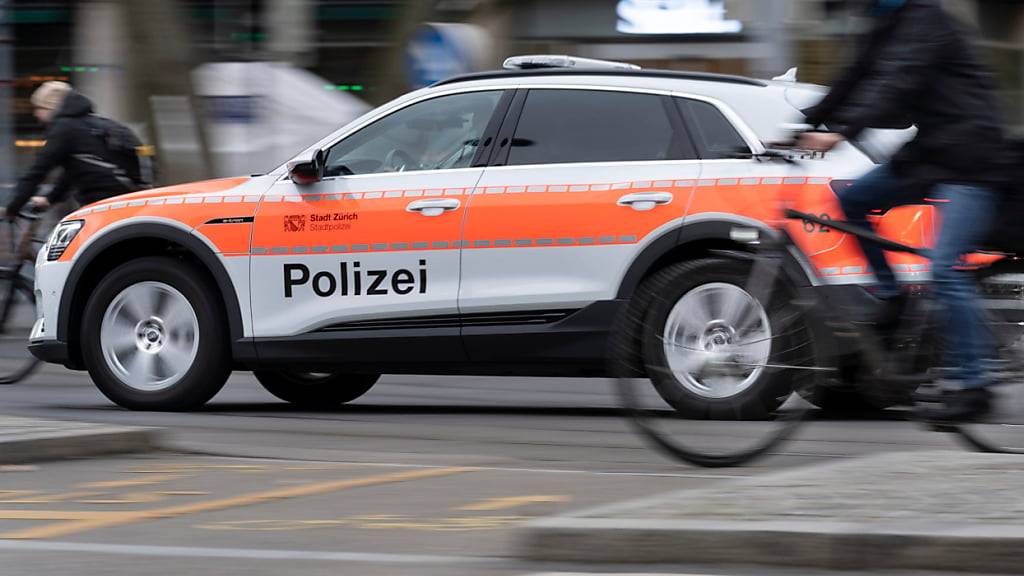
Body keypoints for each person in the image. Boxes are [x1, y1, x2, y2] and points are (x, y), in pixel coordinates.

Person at [796, 0, 1008, 420]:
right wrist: (803, 124)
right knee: (853, 200)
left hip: (972, 156)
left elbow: (895, 79)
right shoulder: (885, 21)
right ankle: (892, 297)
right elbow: (856, 76)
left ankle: (974, 382)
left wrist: (841, 132)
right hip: (933, 152)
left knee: (944, 270)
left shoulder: (925, 19)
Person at [2, 81, 150, 218]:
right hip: (128, 200)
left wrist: (11, 208)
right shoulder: (93, 122)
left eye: (39, 108)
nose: (36, 114)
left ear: (51, 107)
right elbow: (75, 170)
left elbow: (36, 173)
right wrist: (50, 198)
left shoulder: (64, 128)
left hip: (107, 204)